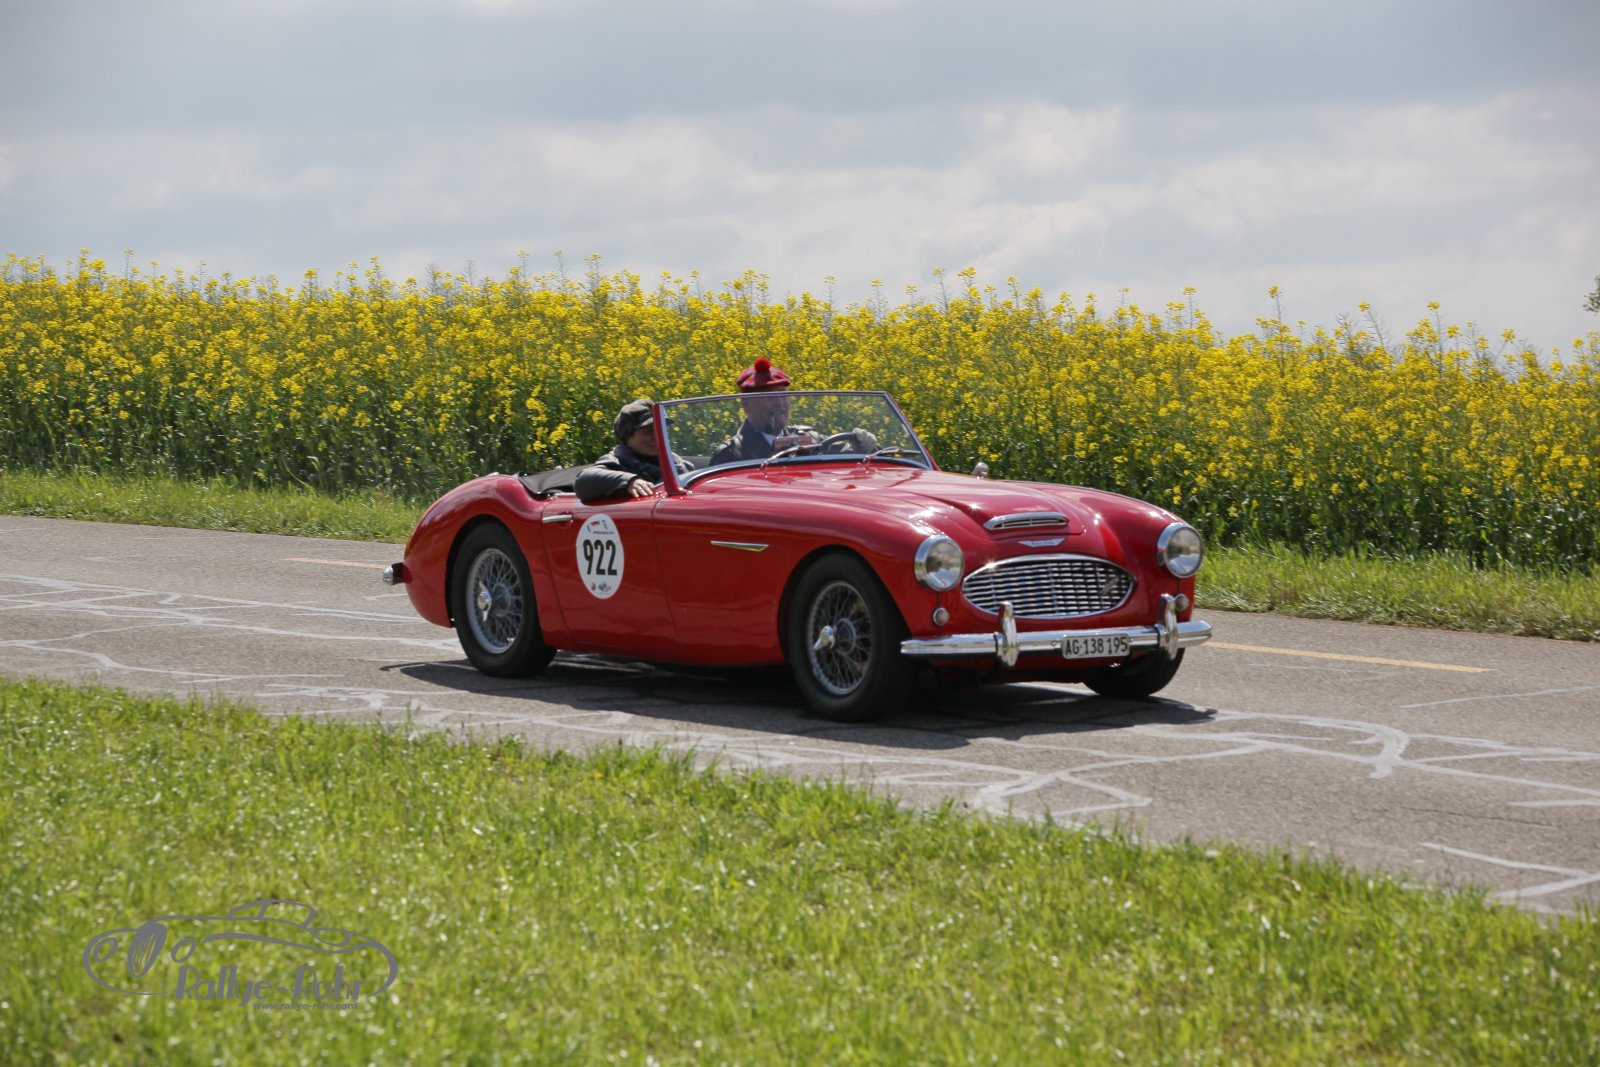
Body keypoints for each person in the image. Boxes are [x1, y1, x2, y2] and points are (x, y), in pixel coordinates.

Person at [574, 398, 693, 503]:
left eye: (661, 429)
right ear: (627, 437)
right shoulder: (617, 462)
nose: (657, 436)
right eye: (648, 431)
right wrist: (629, 481)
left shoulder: (679, 465)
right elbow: (583, 480)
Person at [710, 358, 804, 465]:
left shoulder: (806, 440)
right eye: (769, 396)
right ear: (746, 404)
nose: (779, 403)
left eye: (783, 394)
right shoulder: (730, 455)